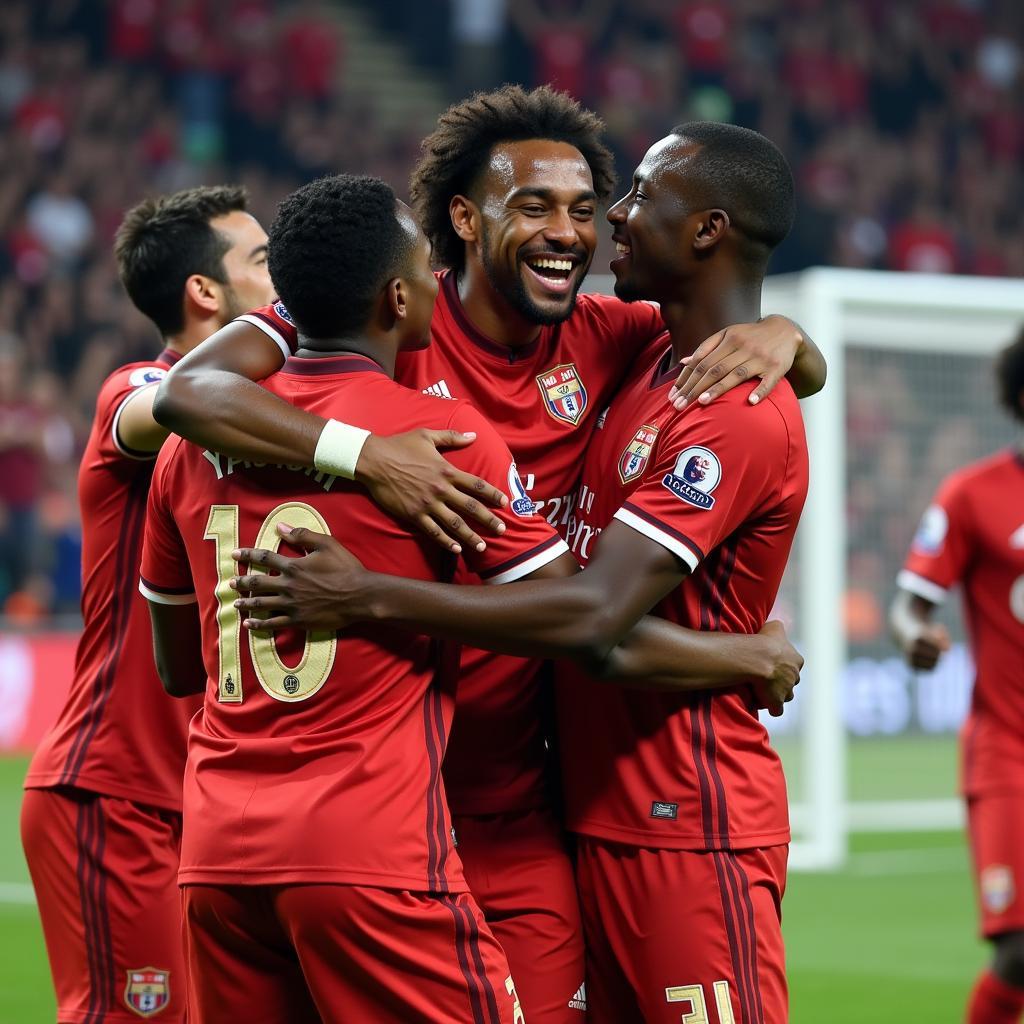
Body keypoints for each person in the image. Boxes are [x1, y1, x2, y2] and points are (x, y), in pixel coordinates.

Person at [153, 87, 823, 1023]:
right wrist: (365, 456)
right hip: (387, 803)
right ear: (462, 223)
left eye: (588, 208)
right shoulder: (386, 324)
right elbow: (188, 392)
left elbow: (732, 366)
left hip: (518, 809)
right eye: (536, 207)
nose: (573, 231)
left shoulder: (618, 339)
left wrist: (788, 339)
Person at [20, 184, 275, 1024]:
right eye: (263, 264)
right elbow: (166, 407)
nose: (284, 282)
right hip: (115, 790)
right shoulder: (141, 383)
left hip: (208, 802)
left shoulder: (273, 418)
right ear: (206, 293)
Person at [891, 331, 1024, 1024]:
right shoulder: (973, 495)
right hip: (1008, 752)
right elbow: (909, 605)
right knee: (1020, 949)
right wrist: (916, 640)